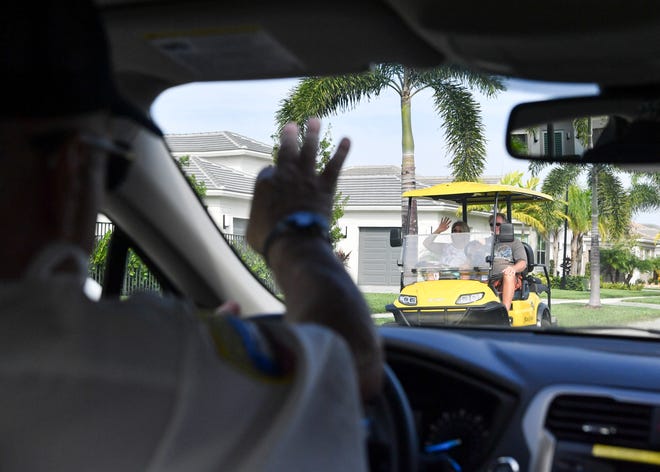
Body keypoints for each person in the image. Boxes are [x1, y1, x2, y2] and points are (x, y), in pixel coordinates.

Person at [0, 1, 382, 470]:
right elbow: (349, 364)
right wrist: (298, 231)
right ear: (73, 173)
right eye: (110, 165)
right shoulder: (133, 366)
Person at [488, 212, 528, 313]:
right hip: (487, 277)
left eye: (497, 224)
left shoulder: (515, 242)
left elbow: (523, 263)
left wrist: (513, 269)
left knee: (508, 274)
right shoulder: (486, 242)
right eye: (491, 224)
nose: (494, 227)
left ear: (505, 226)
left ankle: (504, 312)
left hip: (506, 277)